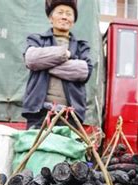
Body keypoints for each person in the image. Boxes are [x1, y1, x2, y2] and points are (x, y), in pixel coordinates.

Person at [22, 0, 93, 129]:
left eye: (69, 14)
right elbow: (31, 59)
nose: (64, 17)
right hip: (39, 113)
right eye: (60, 12)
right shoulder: (37, 40)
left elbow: (84, 71)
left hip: (70, 115)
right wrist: (64, 54)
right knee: (37, 148)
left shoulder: (81, 47)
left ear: (74, 20)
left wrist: (45, 63)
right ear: (50, 18)